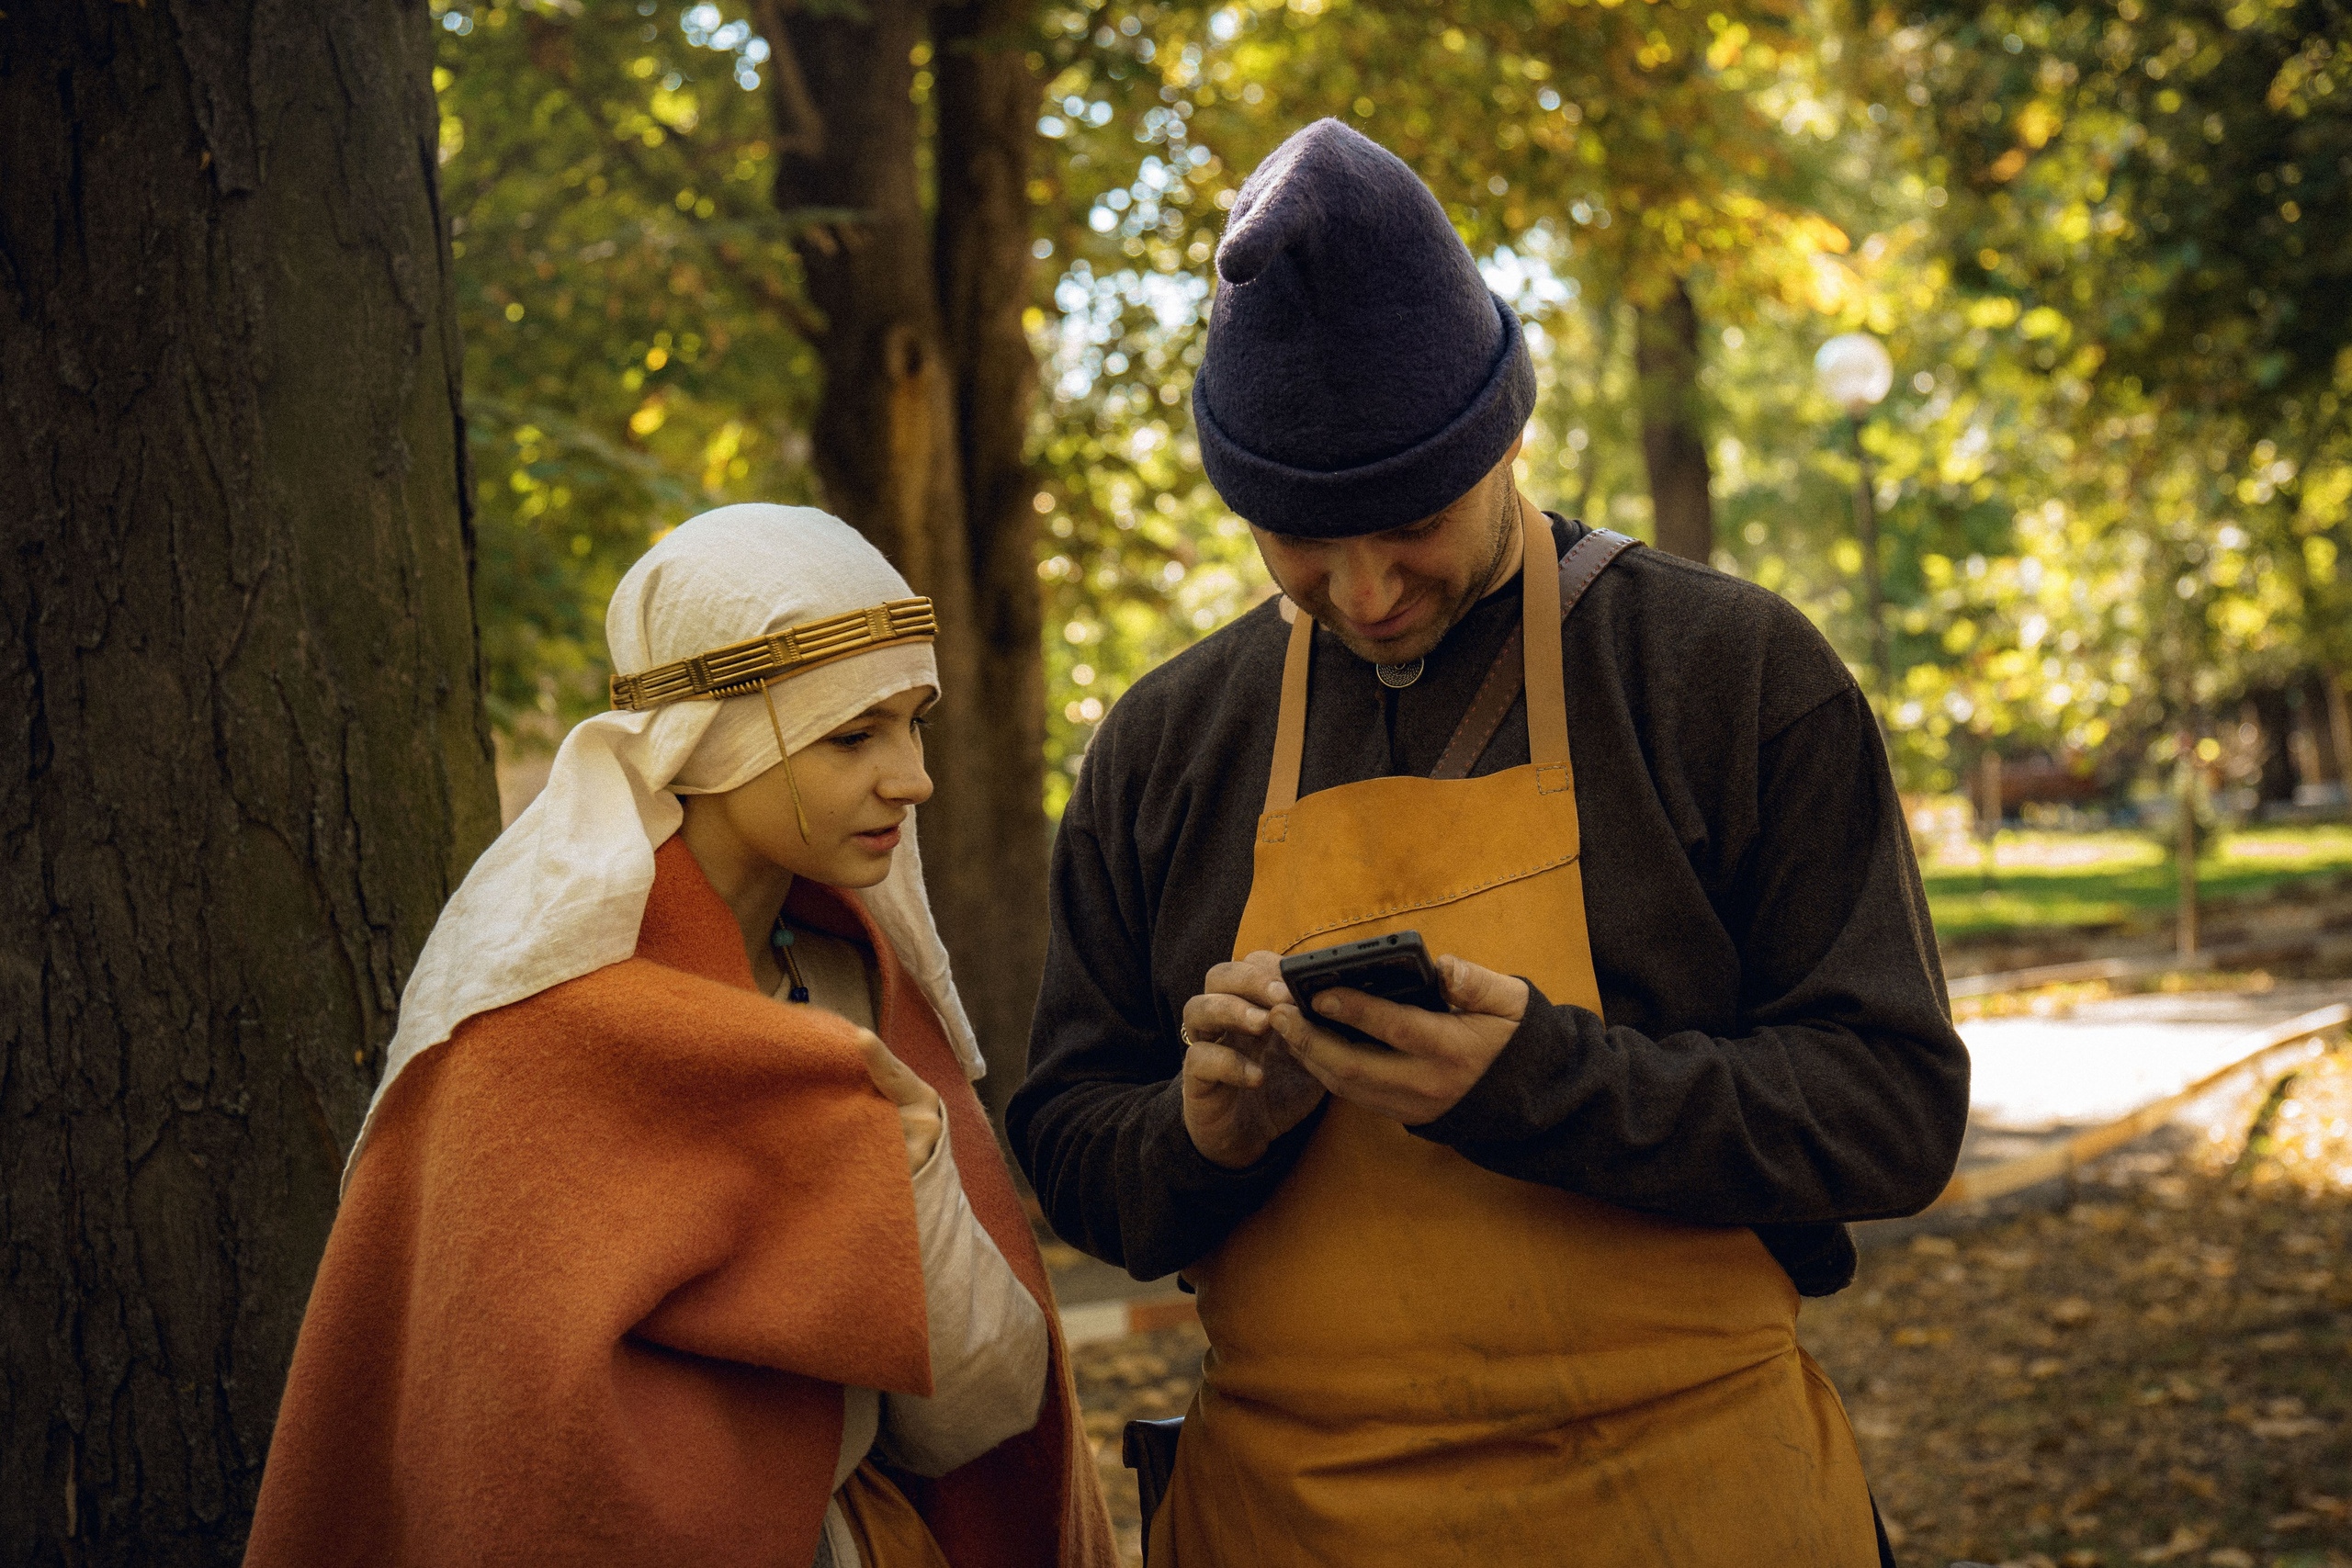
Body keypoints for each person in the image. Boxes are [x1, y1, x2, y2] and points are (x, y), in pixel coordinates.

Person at [1010, 120, 1972, 1566]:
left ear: (1505, 432)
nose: (1365, 588)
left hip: (1696, 1501)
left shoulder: (1730, 673)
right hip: (1297, 1521)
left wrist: (1550, 1084)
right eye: (1299, 540)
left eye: (1407, 521)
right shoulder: (1166, 743)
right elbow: (1074, 1143)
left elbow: (1894, 1109)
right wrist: (1202, 1131)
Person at [248, 504, 1115, 1568]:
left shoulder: (855, 983)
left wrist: (918, 1164)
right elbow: (512, 1462)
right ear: (711, 740)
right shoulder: (538, 1031)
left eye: (913, 723)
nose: (912, 776)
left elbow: (976, 1416)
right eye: (853, 736)